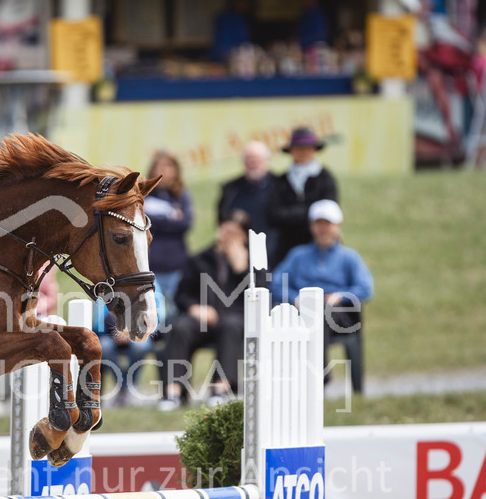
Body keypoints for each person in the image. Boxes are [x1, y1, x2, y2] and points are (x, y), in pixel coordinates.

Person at [160, 210, 257, 410]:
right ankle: (173, 391)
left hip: (234, 319)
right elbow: (182, 293)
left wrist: (242, 270)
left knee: (232, 326)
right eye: (224, 230)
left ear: (244, 236)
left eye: (234, 232)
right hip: (203, 317)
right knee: (180, 327)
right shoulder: (201, 259)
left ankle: (221, 389)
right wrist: (195, 307)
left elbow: (259, 296)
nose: (227, 236)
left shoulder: (254, 261)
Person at [271, 200, 373, 374]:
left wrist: (339, 296)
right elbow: (276, 282)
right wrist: (295, 298)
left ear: (337, 226)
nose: (323, 229)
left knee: (321, 312)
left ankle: (318, 373)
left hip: (338, 314)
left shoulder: (349, 257)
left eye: (327, 224)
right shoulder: (298, 255)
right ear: (311, 226)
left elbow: (365, 288)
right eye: (318, 223)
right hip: (301, 309)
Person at [266, 127, 338, 269]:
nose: (303, 152)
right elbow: (274, 214)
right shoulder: (281, 181)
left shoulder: (325, 178)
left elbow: (328, 211)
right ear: (291, 151)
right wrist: (308, 212)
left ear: (314, 150)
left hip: (318, 244)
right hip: (286, 245)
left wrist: (293, 213)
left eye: (307, 148)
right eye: (298, 148)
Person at [93, 283, 165, 407]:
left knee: (141, 346)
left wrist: (132, 333)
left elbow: (158, 317)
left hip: (140, 334)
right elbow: (99, 319)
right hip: (110, 335)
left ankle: (126, 388)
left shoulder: (152, 282)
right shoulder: (106, 284)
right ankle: (126, 388)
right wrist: (116, 332)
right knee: (104, 347)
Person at [143, 150, 192, 319]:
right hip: (150, 264)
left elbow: (185, 224)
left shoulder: (182, 195)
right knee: (150, 310)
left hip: (176, 264)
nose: (163, 171)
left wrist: (156, 218)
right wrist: (170, 216)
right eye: (159, 166)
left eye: (168, 167)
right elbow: (144, 223)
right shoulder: (145, 194)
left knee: (175, 311)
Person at [217, 141, 276, 255]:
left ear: (266, 161)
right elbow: (221, 220)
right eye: (249, 159)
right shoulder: (231, 189)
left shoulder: (279, 185)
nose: (253, 163)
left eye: (257, 159)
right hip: (240, 253)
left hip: (273, 251)